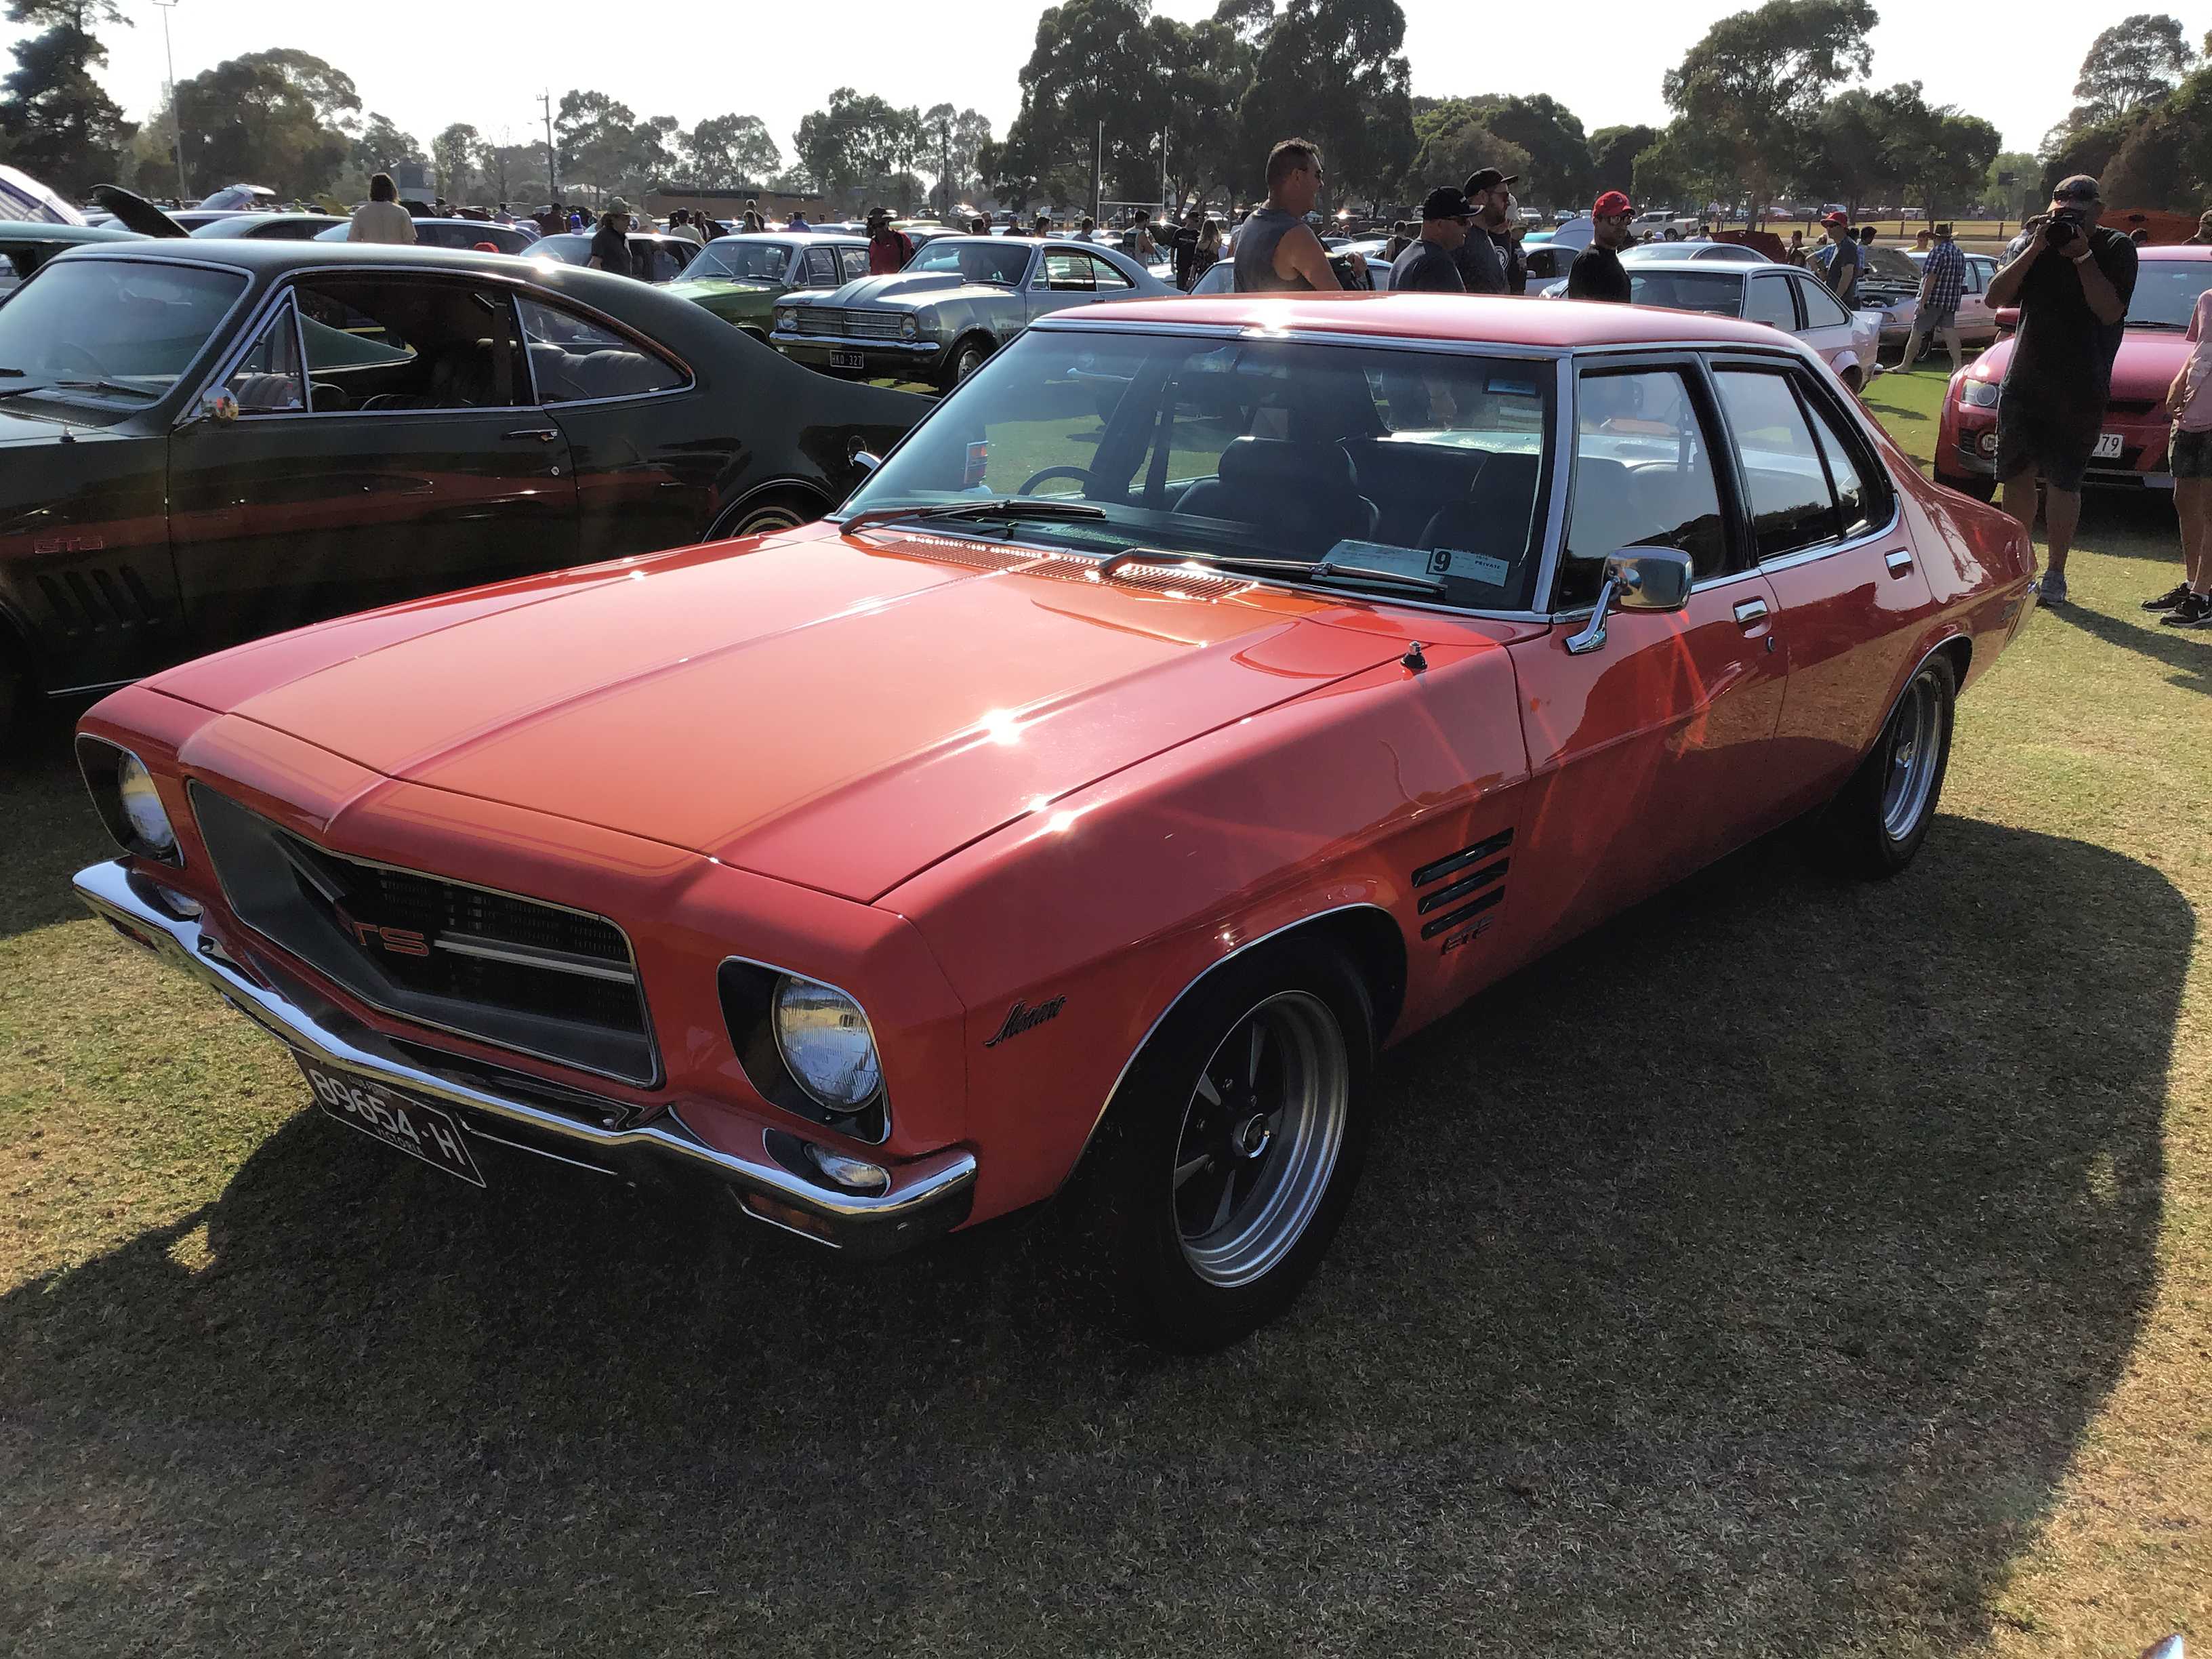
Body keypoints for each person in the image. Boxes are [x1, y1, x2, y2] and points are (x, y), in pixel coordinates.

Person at [1984, 174, 2139, 604]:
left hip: (2080, 384)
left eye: (2079, 206)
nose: (2068, 212)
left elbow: (2109, 311)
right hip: (2025, 380)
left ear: (2098, 210)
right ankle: (2016, 568)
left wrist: (2082, 255)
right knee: (2016, 476)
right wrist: (2035, 246)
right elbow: (1995, 299)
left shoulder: (2115, 247)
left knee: (2064, 481)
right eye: (2061, 204)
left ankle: (2056, 573)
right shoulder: (2033, 242)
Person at [2146, 280, 2212, 626]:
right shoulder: (2207, 300)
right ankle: (2193, 585)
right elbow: (2201, 348)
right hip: (2190, 417)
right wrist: (2177, 382)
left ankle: (2204, 596)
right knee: (2184, 498)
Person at [1232, 139, 1340, 292]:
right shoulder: (1297, 235)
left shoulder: (1251, 223)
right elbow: (1341, 303)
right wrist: (1358, 276)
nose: (1321, 184)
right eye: (1318, 175)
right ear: (1297, 176)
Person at [1902, 222, 1967, 377]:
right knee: (1950, 332)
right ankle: (1958, 366)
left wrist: (1922, 301)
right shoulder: (1959, 252)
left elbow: (1930, 278)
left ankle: (1905, 365)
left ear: (1936, 238)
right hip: (1951, 299)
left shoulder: (1937, 252)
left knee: (1917, 331)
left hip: (1934, 299)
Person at [1388, 186, 1472, 293]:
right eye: (1463, 220)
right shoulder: (1437, 264)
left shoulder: (1404, 258)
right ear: (1439, 225)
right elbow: (1452, 309)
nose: (1470, 224)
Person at [1454, 167, 1517, 294]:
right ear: (1482, 196)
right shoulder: (1459, 240)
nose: (1508, 203)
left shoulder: (1485, 237)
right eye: (1504, 197)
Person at [1567, 190, 1635, 303]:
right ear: (1596, 221)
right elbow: (1585, 315)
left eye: (1626, 219)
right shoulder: (1589, 261)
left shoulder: (1610, 258)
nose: (1622, 226)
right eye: (1615, 219)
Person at [348, 173, 417, 244]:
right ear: (392, 190)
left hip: (372, 253)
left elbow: (353, 239)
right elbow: (409, 240)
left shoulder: (361, 213)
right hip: (396, 253)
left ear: (372, 190)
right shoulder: (401, 212)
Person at [1816, 211, 1860, 300]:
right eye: (1827, 226)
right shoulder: (1838, 247)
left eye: (1832, 226)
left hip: (1844, 303)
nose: (1828, 229)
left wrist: (1836, 300)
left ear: (1842, 227)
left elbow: (1846, 277)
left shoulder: (1848, 247)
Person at [588, 199, 636, 276]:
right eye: (624, 218)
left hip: (625, 285)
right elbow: (595, 265)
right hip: (611, 286)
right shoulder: (602, 237)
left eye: (629, 218)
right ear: (613, 219)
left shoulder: (624, 238)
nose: (628, 222)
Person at [865, 207, 913, 274]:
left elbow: (912, 264)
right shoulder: (871, 243)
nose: (878, 229)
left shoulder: (901, 239)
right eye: (875, 226)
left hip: (896, 282)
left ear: (888, 223)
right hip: (875, 283)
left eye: (881, 225)